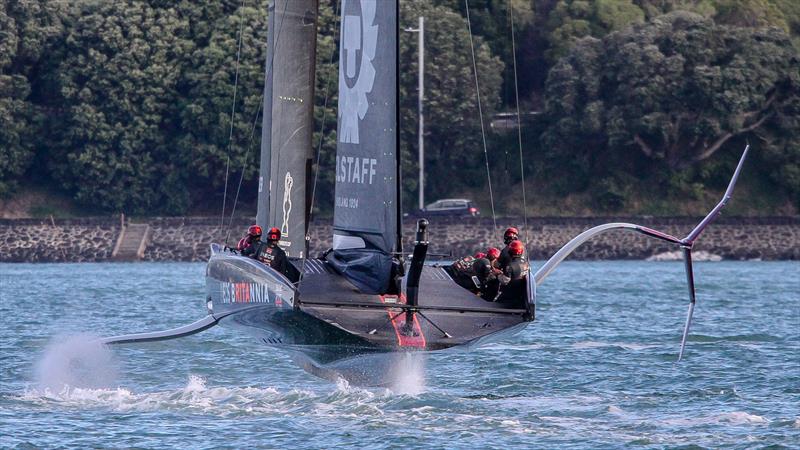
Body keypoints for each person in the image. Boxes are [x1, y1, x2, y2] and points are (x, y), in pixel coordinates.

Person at [497, 240, 529, 305]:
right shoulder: (526, 264)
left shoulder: (510, 265)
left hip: (510, 295)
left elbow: (505, 281)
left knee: (495, 301)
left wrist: (498, 274)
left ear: (510, 251)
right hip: (521, 295)